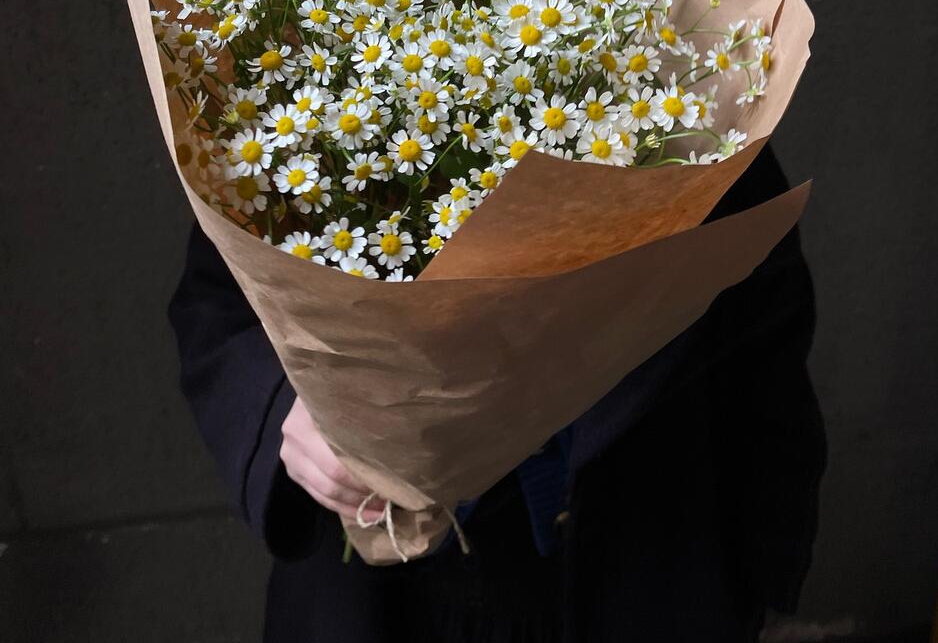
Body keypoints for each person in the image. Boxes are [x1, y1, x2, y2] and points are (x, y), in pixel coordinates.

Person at [168, 134, 826, 643]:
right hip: (384, 597)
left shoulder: (687, 102)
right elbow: (219, 300)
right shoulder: (312, 108)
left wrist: (757, 580)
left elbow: (766, 337)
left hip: (640, 569)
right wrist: (287, 410)